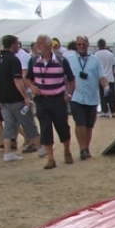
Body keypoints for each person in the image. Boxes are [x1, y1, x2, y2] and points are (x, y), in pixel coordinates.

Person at [25, 34, 75, 169]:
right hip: (41, 100)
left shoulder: (61, 60)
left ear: (49, 45)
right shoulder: (34, 61)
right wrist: (31, 86)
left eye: (41, 43)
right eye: (37, 43)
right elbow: (28, 78)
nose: (38, 45)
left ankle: (67, 150)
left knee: (62, 127)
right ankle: (50, 159)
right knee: (45, 129)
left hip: (58, 99)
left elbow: (71, 79)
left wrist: (69, 94)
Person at [0, 35, 42, 162]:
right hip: (14, 97)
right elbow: (17, 80)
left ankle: (8, 152)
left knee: (9, 124)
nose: (19, 47)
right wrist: (25, 97)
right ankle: (40, 148)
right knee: (28, 121)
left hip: (2, 96)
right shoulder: (13, 60)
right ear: (13, 45)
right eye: (17, 44)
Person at [66, 35, 109, 160]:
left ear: (88, 45)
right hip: (76, 96)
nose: (81, 46)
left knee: (89, 125)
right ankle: (82, 148)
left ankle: (87, 147)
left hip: (91, 97)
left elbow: (102, 75)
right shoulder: (69, 59)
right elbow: (64, 76)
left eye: (83, 44)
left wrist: (106, 86)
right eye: (79, 44)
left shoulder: (95, 60)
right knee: (80, 122)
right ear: (76, 45)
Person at [94, 39, 115, 118]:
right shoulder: (110, 54)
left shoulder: (96, 54)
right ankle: (113, 111)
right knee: (112, 95)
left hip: (101, 78)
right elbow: (114, 65)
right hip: (110, 77)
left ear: (98, 45)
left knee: (103, 95)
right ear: (105, 45)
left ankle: (105, 111)